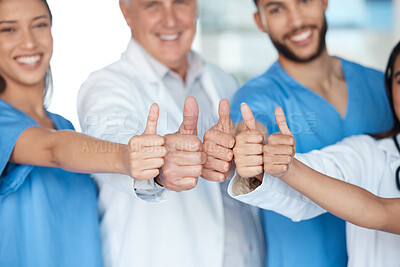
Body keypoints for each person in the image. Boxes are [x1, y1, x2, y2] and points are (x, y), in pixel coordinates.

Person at [77, 0, 265, 266]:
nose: (170, 20)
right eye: (152, 5)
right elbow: (110, 137)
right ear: (126, 11)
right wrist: (158, 165)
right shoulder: (105, 86)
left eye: (180, 2)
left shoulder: (222, 80)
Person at [0, 0, 167, 266]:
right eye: (8, 30)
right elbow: (53, 150)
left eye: (39, 25)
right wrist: (126, 156)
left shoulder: (65, 126)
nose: (29, 43)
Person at [229, 0, 394, 266]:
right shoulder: (257, 96)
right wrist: (246, 144)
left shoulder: (383, 87)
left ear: (325, 2)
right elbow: (248, 127)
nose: (296, 21)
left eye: (304, 1)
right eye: (276, 9)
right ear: (260, 21)